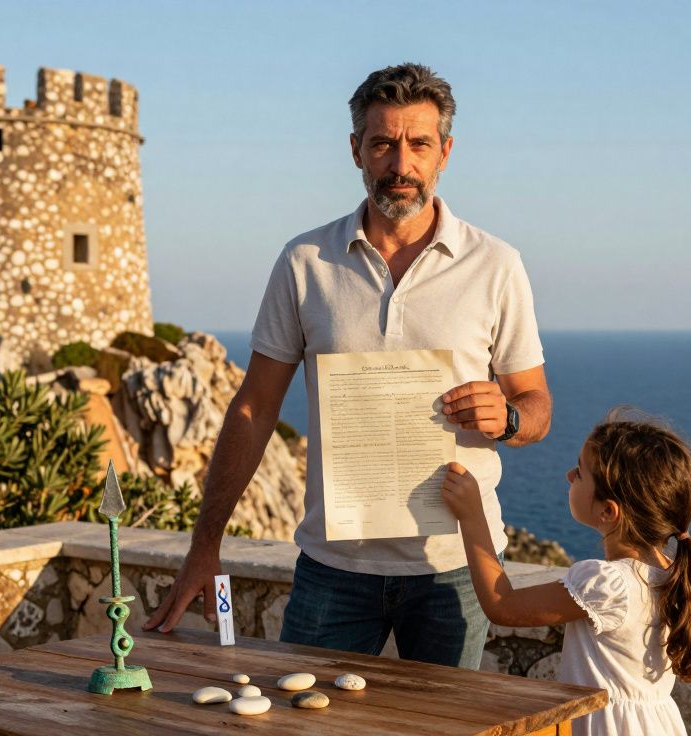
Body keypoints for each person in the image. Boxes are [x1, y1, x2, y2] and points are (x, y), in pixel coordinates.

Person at [143, 62, 552, 670]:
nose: (401, 163)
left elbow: (536, 406)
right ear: (356, 150)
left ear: (446, 152)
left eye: (418, 144)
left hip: (453, 568)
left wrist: (510, 418)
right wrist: (206, 545)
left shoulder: (495, 264)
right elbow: (254, 407)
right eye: (383, 143)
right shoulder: (304, 261)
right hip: (333, 570)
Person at [440, 410, 691, 735]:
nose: (568, 475)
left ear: (608, 511)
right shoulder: (671, 573)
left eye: (580, 472)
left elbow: (501, 604)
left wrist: (472, 515)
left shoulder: (606, 583)